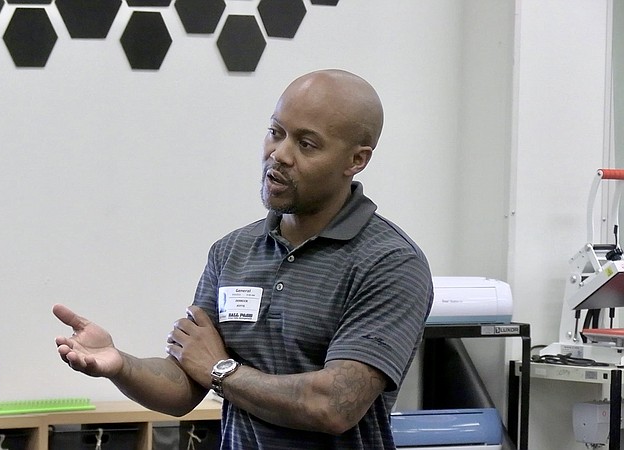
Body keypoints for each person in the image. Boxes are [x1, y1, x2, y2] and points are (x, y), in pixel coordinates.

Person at [54, 69, 434, 449]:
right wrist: (120, 364)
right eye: (276, 132)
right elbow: (185, 384)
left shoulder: (391, 262)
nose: (279, 154)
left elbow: (333, 405)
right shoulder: (232, 251)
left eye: (306, 144)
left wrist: (221, 370)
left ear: (356, 159)